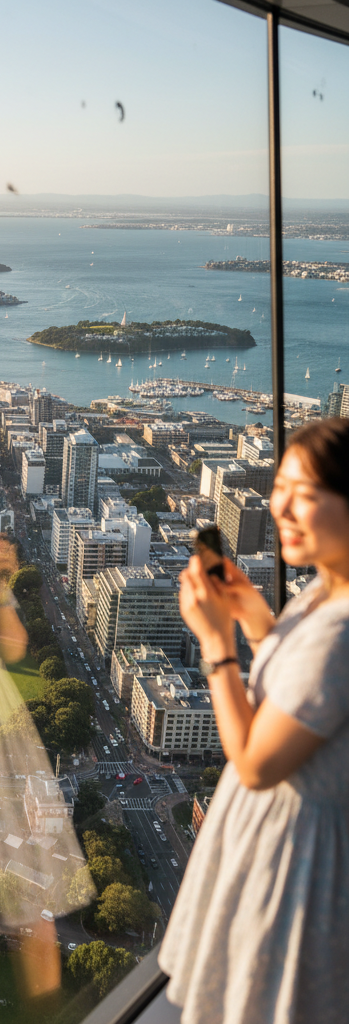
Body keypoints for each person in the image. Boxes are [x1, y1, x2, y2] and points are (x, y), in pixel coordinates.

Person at [159, 418, 349, 1024]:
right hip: (285, 838)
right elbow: (299, 698)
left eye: (308, 495)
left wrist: (217, 643)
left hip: (292, 861)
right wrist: (256, 619)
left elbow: (257, 761)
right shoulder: (327, 591)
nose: (283, 507)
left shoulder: (340, 632)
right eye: (281, 486)